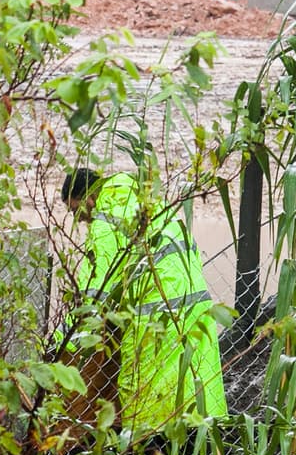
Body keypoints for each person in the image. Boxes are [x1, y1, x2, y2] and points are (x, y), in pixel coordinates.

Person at [61, 167, 228, 432]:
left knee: (148, 399)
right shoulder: (147, 201)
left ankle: (149, 452)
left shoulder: (106, 221)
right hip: (196, 308)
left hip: (154, 315)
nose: (79, 220)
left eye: (76, 211)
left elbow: (96, 291)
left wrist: (65, 340)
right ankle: (198, 453)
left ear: (89, 199)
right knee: (194, 388)